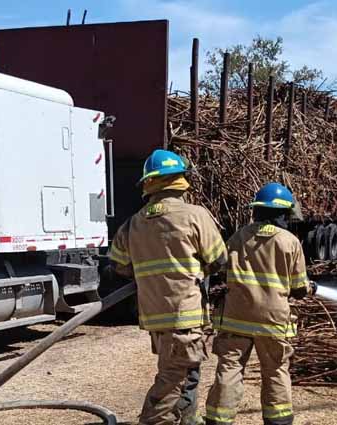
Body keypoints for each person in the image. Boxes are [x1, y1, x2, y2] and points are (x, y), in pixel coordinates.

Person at [109, 149, 228, 425]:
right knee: (175, 378)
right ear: (180, 181)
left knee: (186, 371)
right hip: (184, 316)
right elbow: (219, 260)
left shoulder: (133, 223)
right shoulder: (195, 215)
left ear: (148, 184)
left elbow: (118, 265)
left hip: (155, 318)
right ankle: (155, 420)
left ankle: (188, 419)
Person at [203, 183, 316, 425]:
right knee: (275, 371)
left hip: (235, 318)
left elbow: (221, 273)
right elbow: (298, 289)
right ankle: (278, 421)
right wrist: (310, 287)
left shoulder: (238, 237)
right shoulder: (290, 242)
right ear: (282, 213)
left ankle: (218, 420)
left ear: (258, 211)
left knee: (229, 370)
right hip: (272, 322)